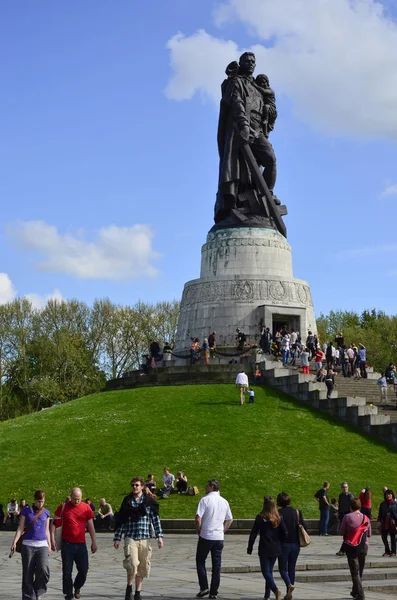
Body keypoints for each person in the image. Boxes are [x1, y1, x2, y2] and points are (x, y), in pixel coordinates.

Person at [215, 52, 277, 225]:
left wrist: (270, 112)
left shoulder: (258, 86)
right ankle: (238, 203)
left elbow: (270, 106)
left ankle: (266, 194)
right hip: (242, 129)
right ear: (241, 64)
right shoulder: (237, 82)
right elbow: (237, 103)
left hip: (258, 129)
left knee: (270, 160)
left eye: (253, 61)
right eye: (247, 61)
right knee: (239, 170)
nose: (250, 64)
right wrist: (243, 125)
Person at [113, 476, 163, 600]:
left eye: (137, 485)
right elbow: (122, 520)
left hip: (145, 538)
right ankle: (129, 587)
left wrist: (159, 536)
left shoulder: (149, 502)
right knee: (132, 564)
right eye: (133, 485)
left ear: (142, 486)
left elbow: (155, 519)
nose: (134, 487)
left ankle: (138, 593)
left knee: (143, 566)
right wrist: (117, 537)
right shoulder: (127, 501)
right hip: (131, 537)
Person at [50, 487, 97, 600]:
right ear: (70, 496)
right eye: (74, 499)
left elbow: (90, 526)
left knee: (84, 570)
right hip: (67, 544)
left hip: (81, 544)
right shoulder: (64, 507)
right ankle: (68, 594)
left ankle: (77, 586)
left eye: (78, 499)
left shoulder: (86, 508)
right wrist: (52, 539)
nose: (76, 501)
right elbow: (54, 523)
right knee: (67, 571)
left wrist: (94, 541)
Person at [195, 479, 233, 599]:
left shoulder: (205, 500)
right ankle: (213, 592)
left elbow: (197, 518)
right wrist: (222, 530)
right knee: (217, 565)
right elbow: (230, 519)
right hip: (218, 537)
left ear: (211, 487)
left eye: (207, 486)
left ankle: (204, 586)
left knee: (200, 561)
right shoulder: (224, 501)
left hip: (206, 535)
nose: (205, 487)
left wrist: (199, 530)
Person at [11, 489, 51, 600]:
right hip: (28, 545)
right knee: (28, 572)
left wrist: (50, 544)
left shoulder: (46, 512)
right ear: (34, 500)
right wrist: (14, 542)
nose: (40, 504)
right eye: (38, 501)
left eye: (42, 501)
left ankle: (38, 590)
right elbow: (20, 528)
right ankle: (29, 597)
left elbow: (47, 530)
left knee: (43, 570)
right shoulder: (26, 511)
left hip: (42, 544)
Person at [247, 495, 287, 600]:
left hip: (265, 547)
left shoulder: (260, 517)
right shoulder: (278, 517)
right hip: (276, 548)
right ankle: (267, 596)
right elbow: (285, 532)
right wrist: (280, 542)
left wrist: (250, 546)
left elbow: (253, 533)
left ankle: (275, 590)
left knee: (266, 572)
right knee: (269, 572)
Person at [277, 492, 307, 600]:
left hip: (283, 544)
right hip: (296, 544)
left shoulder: (278, 513)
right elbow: (305, 526)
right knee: (291, 568)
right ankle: (289, 592)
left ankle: (289, 585)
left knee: (282, 568)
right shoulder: (297, 512)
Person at [340, 497, 371, 600]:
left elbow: (342, 532)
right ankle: (355, 591)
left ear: (350, 506)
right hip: (364, 546)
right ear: (360, 506)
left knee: (354, 572)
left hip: (352, 546)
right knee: (360, 571)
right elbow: (369, 534)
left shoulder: (347, 517)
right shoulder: (366, 518)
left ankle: (361, 595)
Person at [336, 482, 355, 556]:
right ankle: (346, 548)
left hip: (348, 514)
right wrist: (338, 512)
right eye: (343, 487)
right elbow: (340, 505)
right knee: (345, 533)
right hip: (342, 514)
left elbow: (353, 506)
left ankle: (343, 549)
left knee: (347, 533)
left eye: (346, 487)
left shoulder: (350, 496)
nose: (345, 489)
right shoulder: (341, 496)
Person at [377, 489, 397, 556]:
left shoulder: (395, 504)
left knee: (393, 537)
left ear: (392, 495)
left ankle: (393, 552)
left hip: (392, 522)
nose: (388, 495)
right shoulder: (382, 504)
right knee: (384, 537)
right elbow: (380, 514)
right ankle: (387, 550)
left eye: (390, 494)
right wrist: (379, 521)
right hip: (384, 522)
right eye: (387, 494)